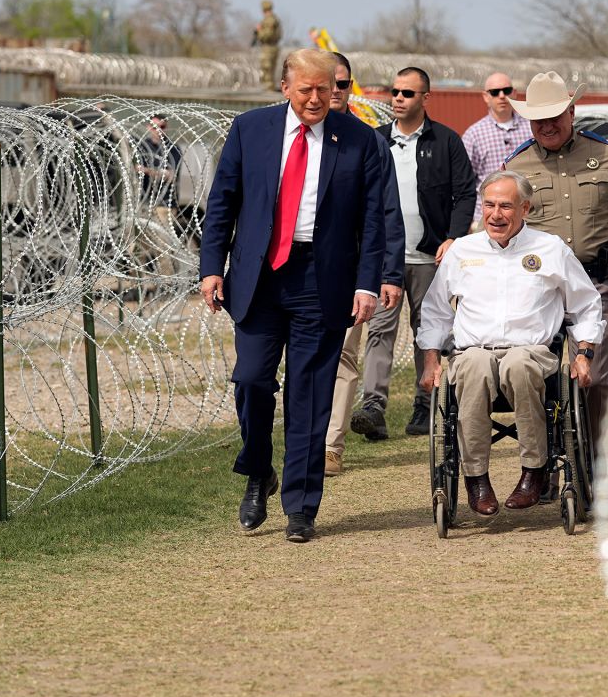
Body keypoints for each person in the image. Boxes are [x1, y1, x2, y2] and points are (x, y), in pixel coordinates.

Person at [200, 48, 397, 542]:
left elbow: (374, 219)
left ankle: (301, 506)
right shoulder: (251, 130)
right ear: (285, 88)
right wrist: (211, 268)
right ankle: (257, 470)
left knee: (310, 396)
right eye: (305, 89)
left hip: (323, 279)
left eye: (325, 88)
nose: (316, 98)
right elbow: (222, 201)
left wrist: (367, 282)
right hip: (259, 275)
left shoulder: (360, 141)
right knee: (250, 380)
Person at [417, 170, 603, 516]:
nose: (496, 214)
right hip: (474, 351)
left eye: (506, 205)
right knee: (472, 367)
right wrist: (431, 360)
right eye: (489, 205)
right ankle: (476, 479)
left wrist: (584, 355)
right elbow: (435, 310)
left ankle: (534, 472)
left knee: (518, 365)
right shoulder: (462, 251)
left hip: (532, 353)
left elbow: (586, 304)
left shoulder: (550, 249)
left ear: (525, 208)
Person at [504, 71, 608, 448]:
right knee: (534, 376)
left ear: (571, 112)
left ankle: (592, 460)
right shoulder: (516, 166)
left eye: (554, 116)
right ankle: (541, 462)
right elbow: (501, 231)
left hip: (593, 284)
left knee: (596, 375)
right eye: (538, 119)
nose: (546, 126)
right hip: (536, 290)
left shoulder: (604, 154)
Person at [349, 66, 477, 443]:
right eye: (395, 91)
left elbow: (465, 193)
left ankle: (427, 401)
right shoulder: (375, 140)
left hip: (429, 258)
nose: (399, 98)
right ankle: (374, 407)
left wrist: (453, 237)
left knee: (430, 332)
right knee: (379, 332)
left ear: (426, 98)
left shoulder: (446, 141)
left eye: (408, 93)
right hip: (384, 259)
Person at [323, 52, 405, 477]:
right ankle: (306, 437)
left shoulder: (368, 140)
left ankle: (330, 446)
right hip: (296, 269)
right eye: (329, 82)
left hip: (352, 269)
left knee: (342, 356)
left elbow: (387, 211)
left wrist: (389, 273)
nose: (336, 91)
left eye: (343, 84)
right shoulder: (290, 135)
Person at [461, 72, 531, 226]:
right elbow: (464, 184)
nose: (501, 96)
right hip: (488, 218)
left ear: (514, 93)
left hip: (528, 216)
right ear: (486, 97)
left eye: (506, 91)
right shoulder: (474, 134)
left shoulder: (532, 128)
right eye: (494, 92)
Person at [134, 112, 181, 228]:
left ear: (166, 127)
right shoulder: (142, 146)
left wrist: (146, 170)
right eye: (154, 127)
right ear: (148, 127)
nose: (158, 130)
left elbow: (170, 175)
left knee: (161, 241)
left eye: (162, 127)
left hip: (164, 203)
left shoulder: (173, 149)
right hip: (143, 201)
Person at [254, 0, 282, 91]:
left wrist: (259, 31)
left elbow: (267, 35)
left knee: (267, 68)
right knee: (269, 69)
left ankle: (268, 89)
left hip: (268, 47)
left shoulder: (269, 20)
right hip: (272, 46)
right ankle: (269, 88)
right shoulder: (274, 18)